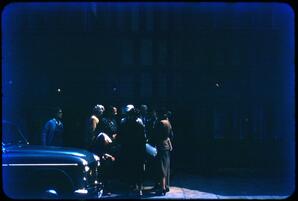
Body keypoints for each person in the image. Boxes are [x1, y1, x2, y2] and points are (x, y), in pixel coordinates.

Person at [118, 106, 146, 196]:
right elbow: (143, 138)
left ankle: (135, 186)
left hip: (131, 149)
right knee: (135, 169)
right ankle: (136, 186)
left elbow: (121, 136)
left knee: (133, 168)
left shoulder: (126, 124)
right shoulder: (138, 124)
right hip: (134, 149)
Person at [152, 108, 173, 196]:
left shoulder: (160, 123)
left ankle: (162, 187)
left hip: (160, 146)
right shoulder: (168, 122)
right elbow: (171, 135)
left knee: (161, 167)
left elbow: (156, 134)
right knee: (166, 166)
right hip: (167, 146)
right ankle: (166, 186)